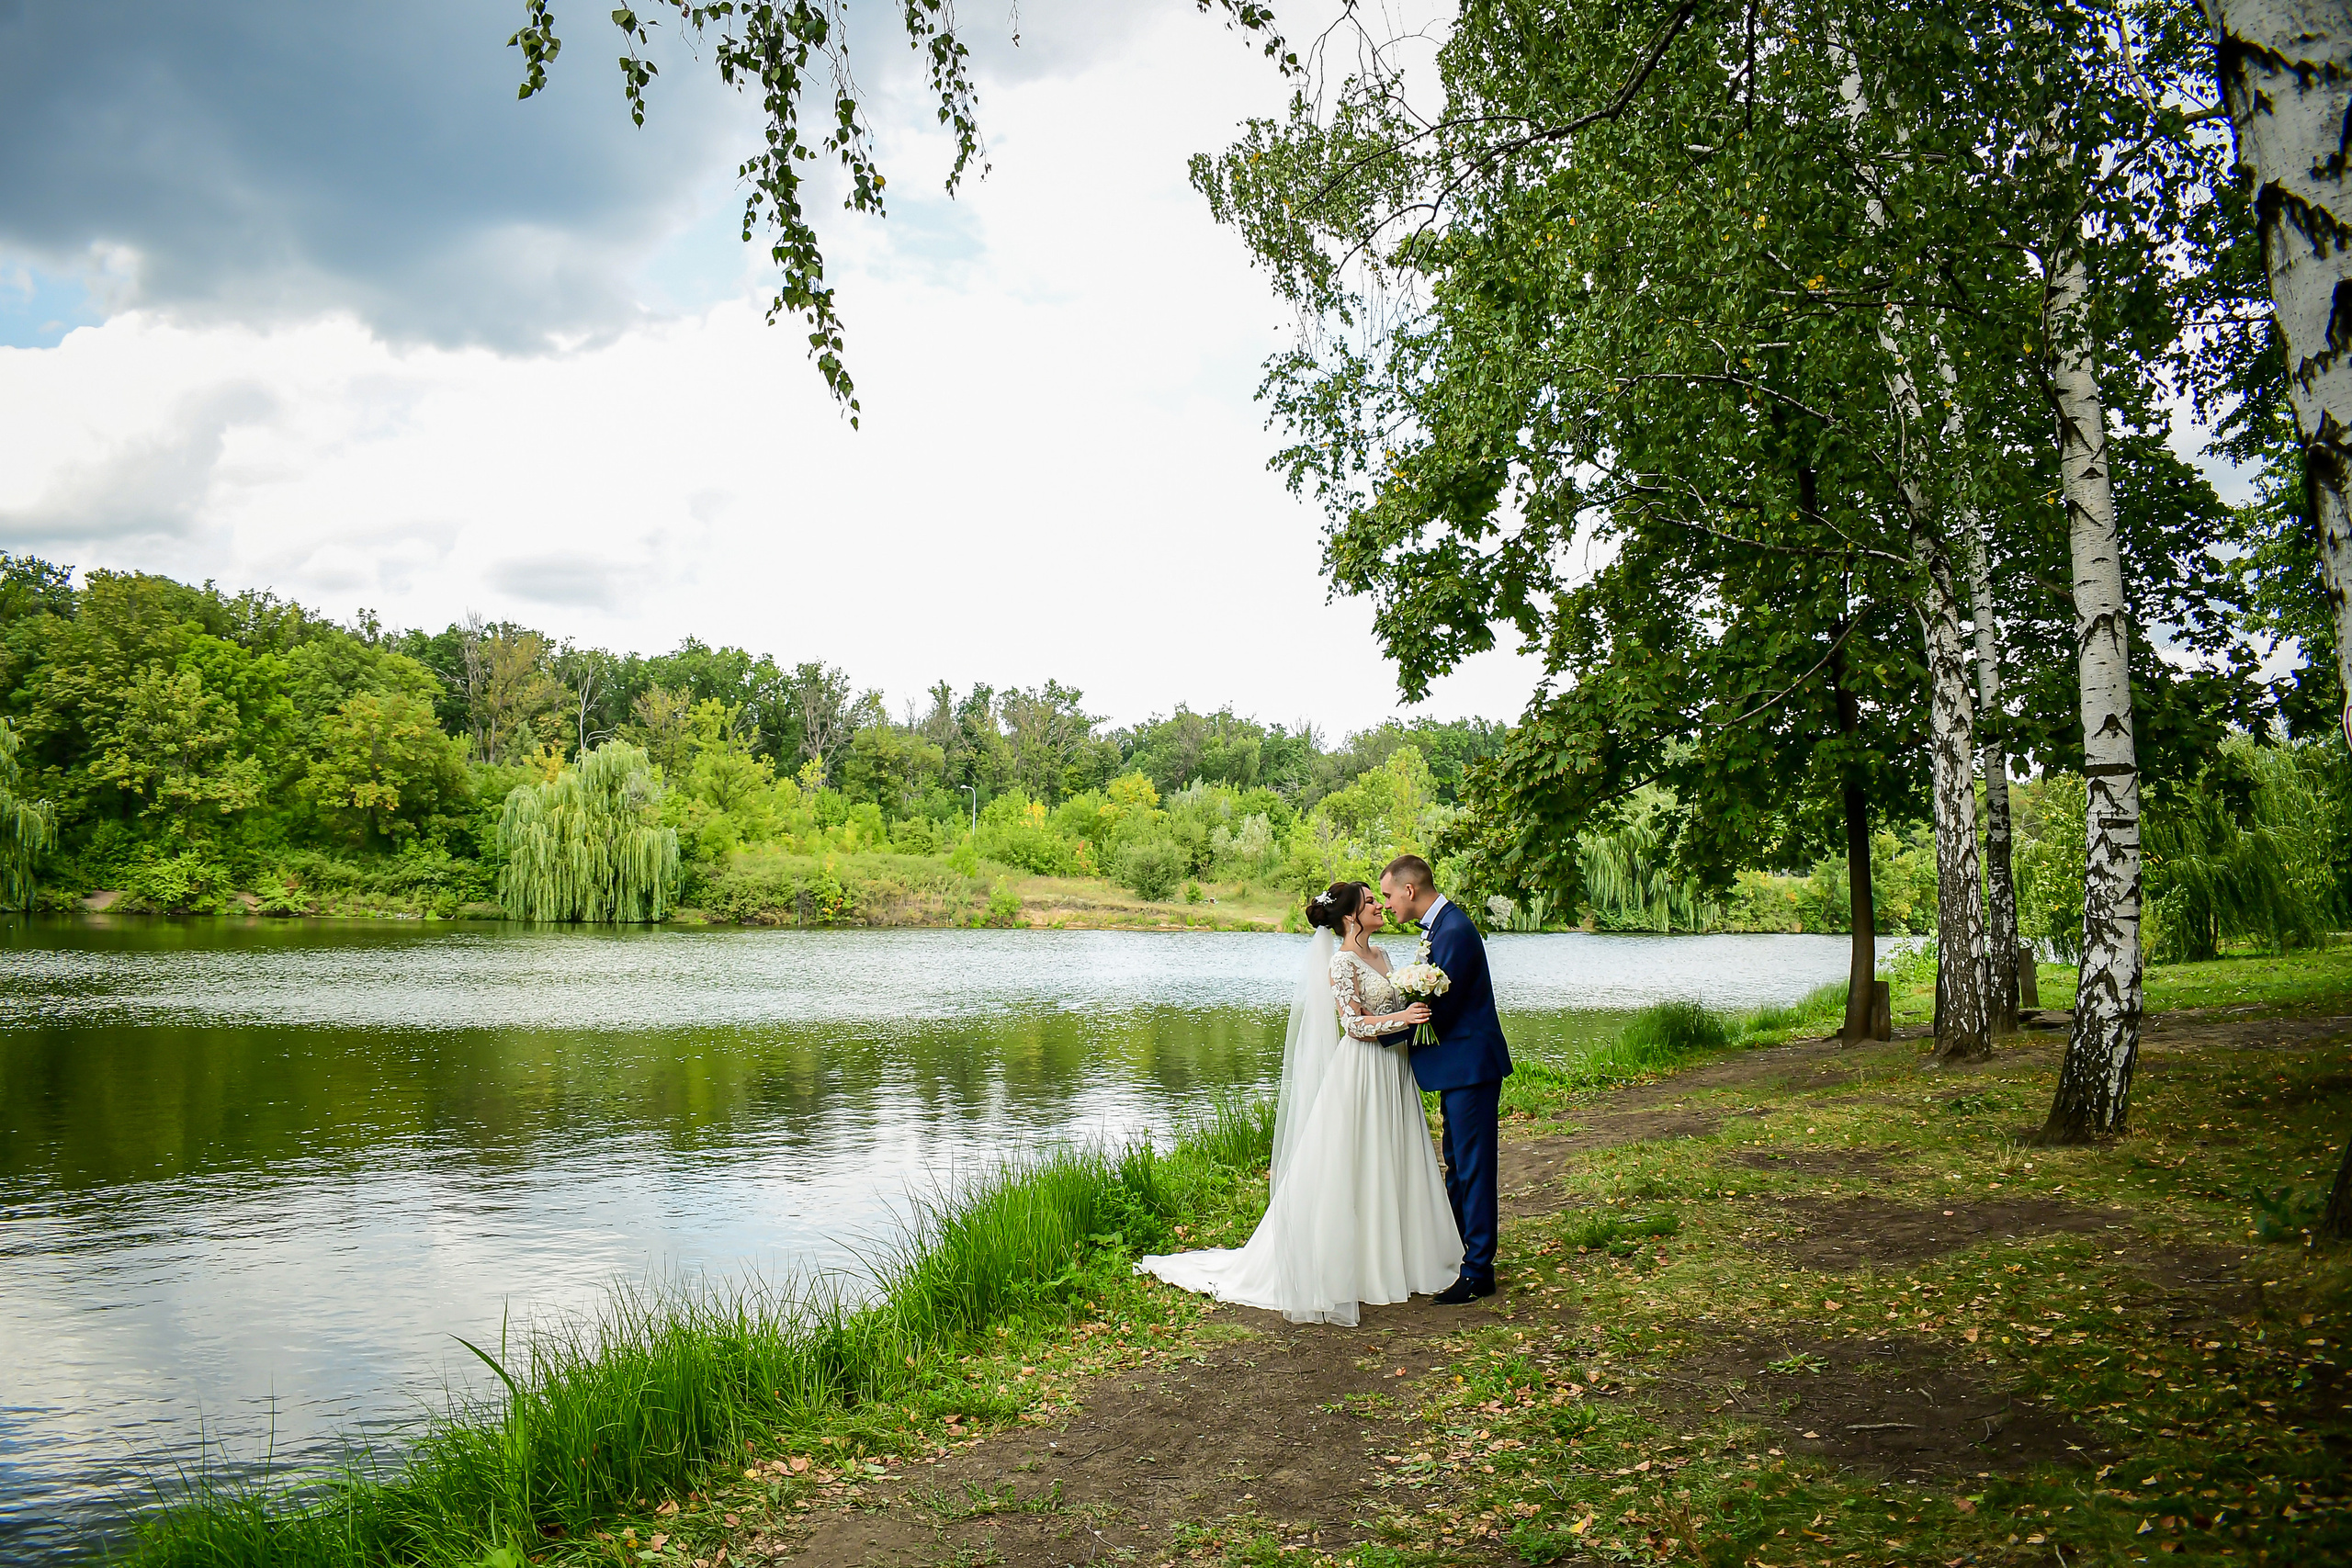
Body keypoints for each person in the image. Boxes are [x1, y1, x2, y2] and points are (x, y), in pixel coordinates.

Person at [1133, 880, 1463, 1324]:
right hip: (1363, 1070)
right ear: (1350, 917)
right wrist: (1401, 1016)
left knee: (1394, 1157)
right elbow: (1353, 1025)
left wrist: (1418, 999)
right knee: (1356, 1161)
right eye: (1370, 903)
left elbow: (1384, 1012)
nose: (1379, 908)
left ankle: (1401, 1257)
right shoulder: (1342, 963)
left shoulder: (1382, 957)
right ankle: (1357, 1266)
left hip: (1393, 1069)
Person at [1379, 853, 1513, 1303]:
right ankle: (1458, 1256)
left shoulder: (1453, 930)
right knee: (1458, 1162)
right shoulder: (1439, 929)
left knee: (1473, 1167)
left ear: (1409, 890)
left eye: (1388, 895)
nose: (1387, 903)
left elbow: (1442, 1007)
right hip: (1459, 1067)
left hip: (1471, 1066)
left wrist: (1381, 1032)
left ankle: (1478, 1270)